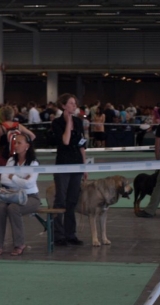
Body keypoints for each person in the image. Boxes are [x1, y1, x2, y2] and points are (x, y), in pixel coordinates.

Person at [0, 134, 41, 256]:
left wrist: (13, 176)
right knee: (0, 208)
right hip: (12, 196)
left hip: (31, 197)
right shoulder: (10, 161)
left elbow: (29, 185)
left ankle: (19, 244)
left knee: (13, 208)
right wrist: (22, 179)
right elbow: (3, 180)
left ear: (27, 146)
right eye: (15, 142)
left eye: (19, 143)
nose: (16, 145)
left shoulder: (34, 163)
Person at [51, 93, 87, 246]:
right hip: (63, 164)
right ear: (64, 105)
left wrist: (85, 166)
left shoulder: (79, 122)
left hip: (77, 164)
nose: (74, 106)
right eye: (71, 103)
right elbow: (65, 141)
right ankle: (58, 235)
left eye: (75, 103)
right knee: (60, 199)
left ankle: (70, 233)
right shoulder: (57, 123)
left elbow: (82, 144)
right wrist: (68, 122)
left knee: (72, 200)